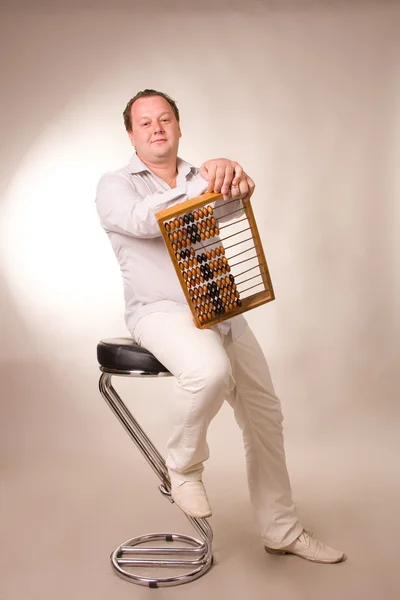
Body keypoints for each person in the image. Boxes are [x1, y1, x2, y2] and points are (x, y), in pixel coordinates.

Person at [95, 89, 344, 564]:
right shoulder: (115, 185)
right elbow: (144, 220)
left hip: (221, 306)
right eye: (145, 122)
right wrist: (204, 183)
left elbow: (228, 216)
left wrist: (237, 185)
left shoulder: (202, 173)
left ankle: (282, 531)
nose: (157, 128)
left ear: (179, 126)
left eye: (165, 118)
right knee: (207, 371)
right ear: (131, 134)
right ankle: (183, 467)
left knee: (265, 417)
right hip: (160, 311)